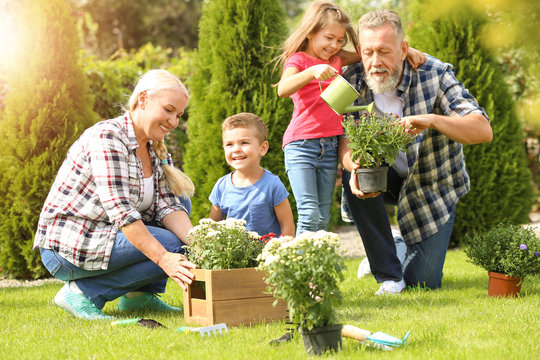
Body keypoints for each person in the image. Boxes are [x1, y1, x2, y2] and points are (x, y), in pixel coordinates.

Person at [339, 10, 493, 294]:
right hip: (382, 178)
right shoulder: (352, 78)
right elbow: (343, 137)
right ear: (359, 51)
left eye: (385, 51)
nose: (375, 62)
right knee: (357, 175)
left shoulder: (434, 75)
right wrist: (351, 164)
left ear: (404, 49)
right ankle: (387, 272)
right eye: (369, 52)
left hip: (430, 184)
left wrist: (432, 120)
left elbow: (482, 129)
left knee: (423, 282)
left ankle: (396, 246)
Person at [34, 69, 197, 319]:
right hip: (71, 244)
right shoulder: (108, 137)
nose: (174, 122)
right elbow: (122, 212)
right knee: (172, 246)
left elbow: (168, 207)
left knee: (180, 206)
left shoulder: (155, 147)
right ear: (143, 99)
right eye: (168, 110)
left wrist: (201, 245)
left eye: (178, 115)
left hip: (108, 236)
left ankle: (139, 297)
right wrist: (165, 258)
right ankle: (82, 293)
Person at [276, 0, 424, 236]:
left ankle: (319, 268)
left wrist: (406, 50)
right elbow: (282, 89)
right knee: (309, 212)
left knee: (324, 214)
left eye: (339, 40)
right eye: (329, 38)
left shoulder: (337, 58)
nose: (334, 45)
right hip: (301, 144)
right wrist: (311, 72)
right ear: (311, 32)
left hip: (330, 144)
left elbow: (368, 51)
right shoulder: (299, 60)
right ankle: (303, 268)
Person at [209, 112, 295, 237]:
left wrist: (281, 253)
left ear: (263, 148)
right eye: (229, 144)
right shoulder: (221, 186)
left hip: (266, 254)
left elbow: (287, 226)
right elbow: (211, 227)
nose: (236, 149)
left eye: (244, 143)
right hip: (232, 254)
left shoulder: (272, 184)